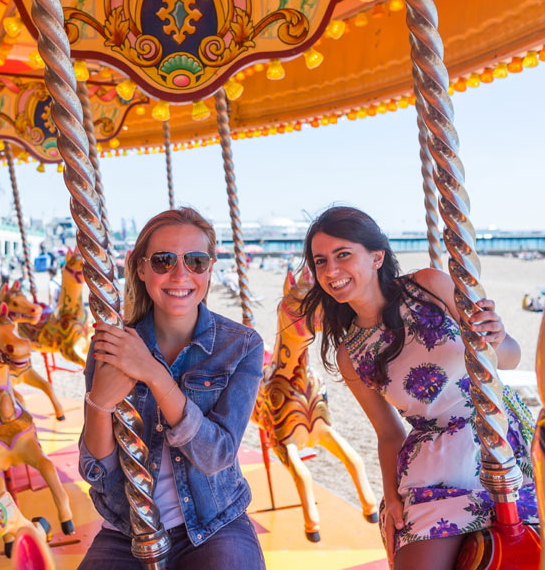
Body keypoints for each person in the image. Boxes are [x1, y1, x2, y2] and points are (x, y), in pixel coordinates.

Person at [300, 206, 537, 570]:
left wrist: (498, 336)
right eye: (320, 261)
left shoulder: (429, 285)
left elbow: (508, 359)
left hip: (497, 432)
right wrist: (391, 495)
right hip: (435, 459)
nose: (330, 271)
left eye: (343, 255)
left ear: (376, 257)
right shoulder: (351, 354)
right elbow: (388, 434)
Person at [78, 207, 266, 569]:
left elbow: (216, 455)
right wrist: (99, 404)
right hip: (126, 527)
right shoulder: (113, 346)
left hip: (214, 523)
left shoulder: (241, 346)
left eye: (195, 261)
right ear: (141, 268)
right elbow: (98, 471)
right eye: (164, 261)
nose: (180, 274)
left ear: (210, 268)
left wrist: (154, 375)